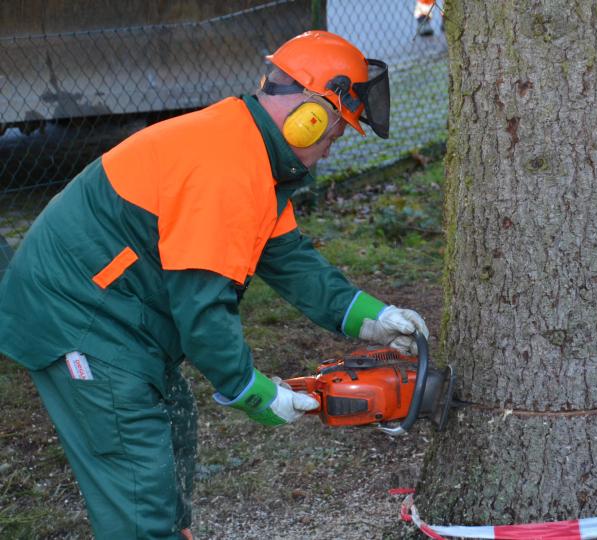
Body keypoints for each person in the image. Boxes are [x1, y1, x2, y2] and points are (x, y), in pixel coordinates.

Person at [0, 31, 427, 539]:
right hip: (77, 318)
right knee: (134, 455)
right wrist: (254, 391)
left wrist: (374, 317)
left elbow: (290, 260)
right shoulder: (226, 169)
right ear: (309, 117)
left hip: (119, 311)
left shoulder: (249, 152)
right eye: (334, 134)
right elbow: (202, 310)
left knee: (174, 419)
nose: (331, 150)